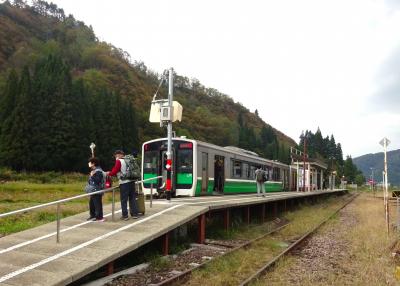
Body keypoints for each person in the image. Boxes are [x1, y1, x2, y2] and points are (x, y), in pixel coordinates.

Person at [106, 150, 139, 220]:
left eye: (116, 156)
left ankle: (125, 215)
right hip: (132, 181)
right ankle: (135, 214)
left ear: (119, 155)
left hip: (124, 183)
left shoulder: (119, 161)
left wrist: (109, 173)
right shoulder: (129, 159)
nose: (116, 157)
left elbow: (114, 171)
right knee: (132, 198)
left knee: (124, 200)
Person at [87, 157, 105, 222]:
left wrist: (92, 175)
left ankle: (99, 217)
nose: (88, 164)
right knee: (91, 203)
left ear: (93, 163)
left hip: (97, 190)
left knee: (97, 204)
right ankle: (93, 215)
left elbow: (97, 180)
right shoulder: (94, 170)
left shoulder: (98, 171)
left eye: (90, 162)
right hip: (93, 190)